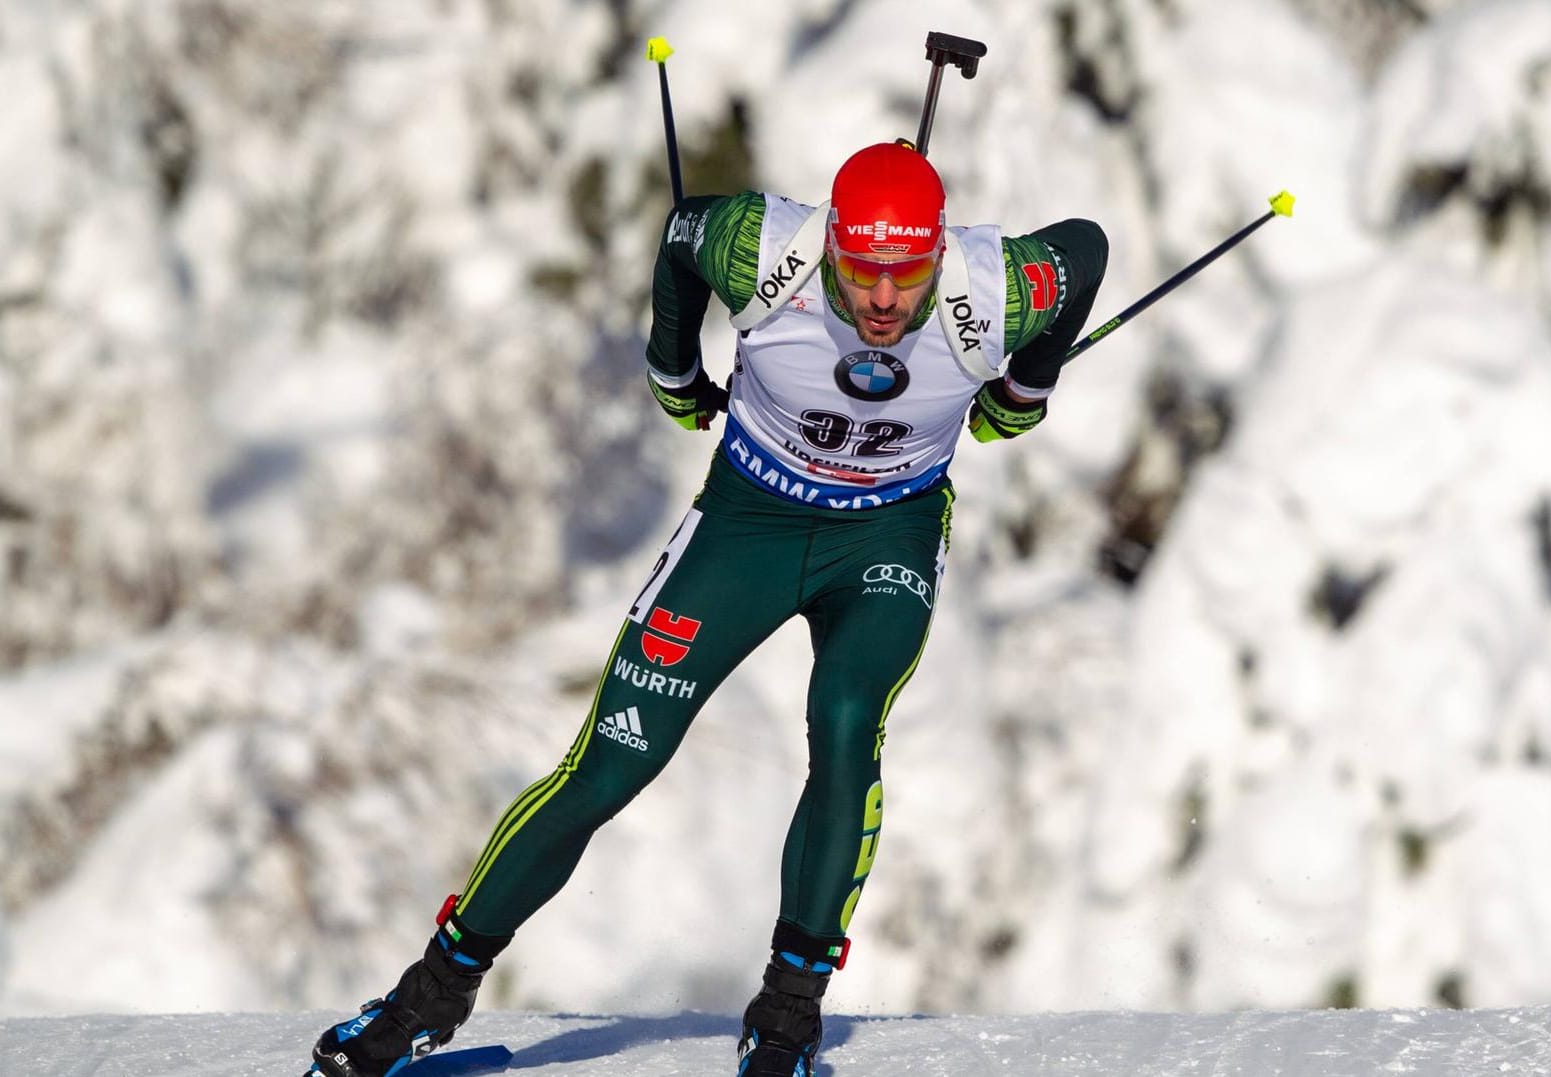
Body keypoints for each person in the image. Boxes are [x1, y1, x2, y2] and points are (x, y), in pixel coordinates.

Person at [306, 140, 1108, 1077]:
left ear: (938, 252)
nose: (884, 301)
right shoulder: (763, 249)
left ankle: (786, 1016)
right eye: (861, 271)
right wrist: (673, 370)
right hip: (747, 524)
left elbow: (1085, 249)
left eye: (906, 275)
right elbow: (682, 236)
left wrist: (1025, 386)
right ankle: (426, 998)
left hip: (882, 539)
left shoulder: (999, 289)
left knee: (847, 721)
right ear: (831, 246)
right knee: (608, 766)